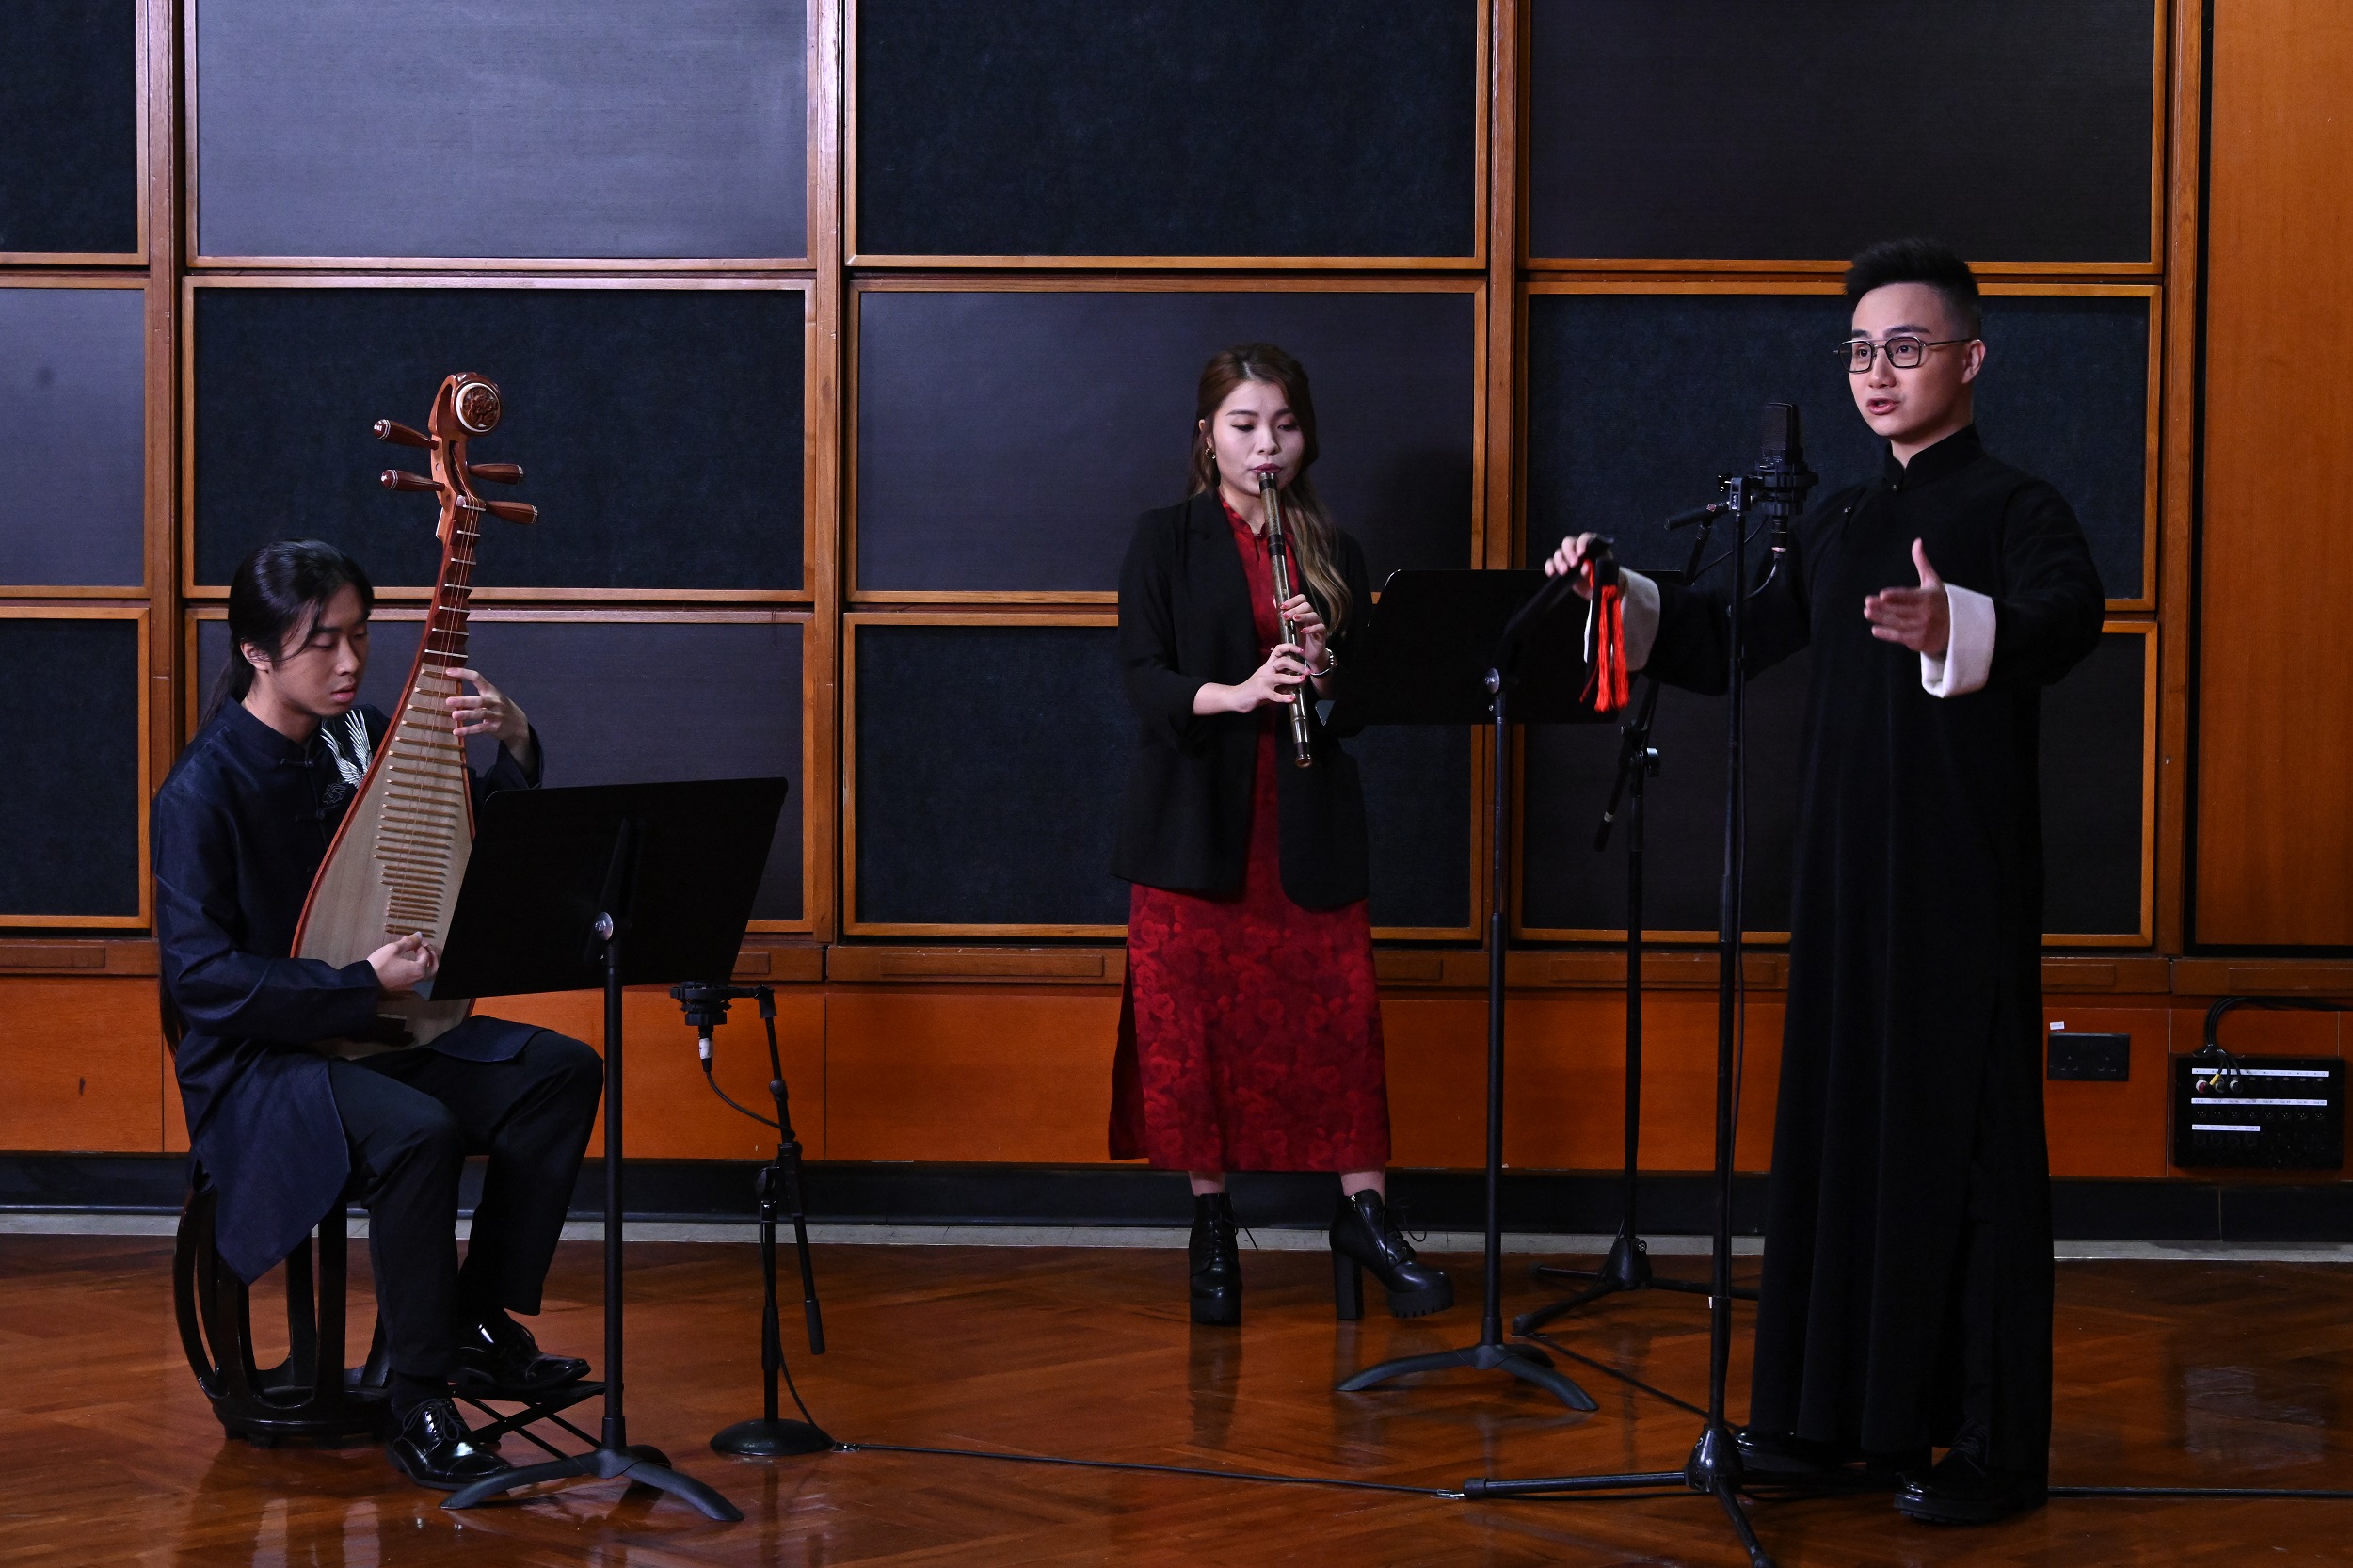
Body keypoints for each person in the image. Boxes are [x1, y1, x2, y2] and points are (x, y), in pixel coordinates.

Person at [1546, 240, 2104, 1525]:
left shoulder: (2017, 506)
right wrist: (1617, 592)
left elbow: (2068, 617)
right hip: (1844, 879)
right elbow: (1728, 638)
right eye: (1859, 350)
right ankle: (1825, 1421)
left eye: (1906, 347)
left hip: (1959, 877)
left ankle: (1993, 1448)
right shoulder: (1843, 520)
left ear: (1971, 357)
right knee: (1838, 1135)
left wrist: (1959, 621)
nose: (1877, 372)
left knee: (1967, 1153)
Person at [152, 540, 602, 1492]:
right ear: (257, 652)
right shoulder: (202, 791)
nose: (351, 661)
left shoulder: (358, 735)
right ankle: (420, 1404)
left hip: (379, 1029)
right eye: (323, 642)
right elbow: (202, 980)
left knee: (559, 1071)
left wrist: (516, 742)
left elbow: (461, 843)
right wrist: (360, 980)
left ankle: (472, 1318)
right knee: (416, 1131)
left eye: (359, 635)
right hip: (264, 1062)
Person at [1111, 343, 1450, 1327]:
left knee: (1340, 1029)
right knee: (1197, 1036)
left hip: (1306, 821)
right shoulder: (1164, 539)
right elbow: (1142, 679)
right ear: (1207, 436)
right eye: (1245, 425)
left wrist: (1323, 660)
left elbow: (1359, 705)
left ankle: (1367, 1221)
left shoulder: (1330, 547)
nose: (1267, 444)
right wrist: (1240, 690)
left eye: (1285, 425)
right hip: (1196, 829)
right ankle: (1213, 1227)